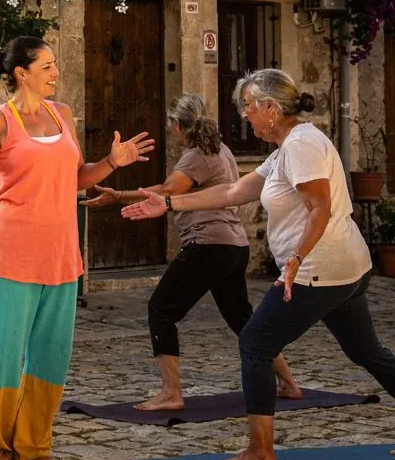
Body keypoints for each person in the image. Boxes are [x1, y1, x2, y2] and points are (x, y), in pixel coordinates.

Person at [122, 68, 395, 460]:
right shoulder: (287, 147)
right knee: (365, 352)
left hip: (318, 269)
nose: (244, 115)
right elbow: (234, 192)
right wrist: (169, 204)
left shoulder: (302, 145)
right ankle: (260, 451)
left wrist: (296, 258)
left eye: (248, 106)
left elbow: (321, 208)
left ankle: (261, 454)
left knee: (254, 343)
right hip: (346, 266)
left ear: (270, 107)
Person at [0, 36, 155, 460]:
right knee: (5, 351)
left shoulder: (62, 115)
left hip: (60, 248)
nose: (55, 73)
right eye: (46, 66)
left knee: (51, 351)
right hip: (11, 247)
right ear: (21, 73)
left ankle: (33, 444)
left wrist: (112, 162)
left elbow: (77, 177)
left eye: (54, 65)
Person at [88, 93, 299, 410]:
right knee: (242, 318)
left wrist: (118, 195)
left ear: (175, 125)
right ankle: (288, 383)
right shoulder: (221, 149)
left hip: (209, 245)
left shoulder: (197, 155)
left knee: (161, 310)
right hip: (234, 246)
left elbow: (168, 192)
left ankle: (171, 393)